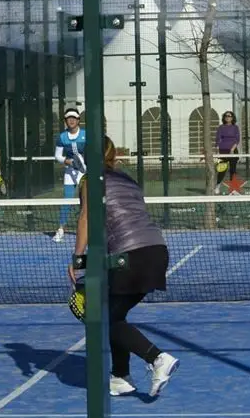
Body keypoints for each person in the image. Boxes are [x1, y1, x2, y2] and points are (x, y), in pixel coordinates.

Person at [67, 136, 179, 398]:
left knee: (106, 319)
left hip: (129, 256)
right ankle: (121, 377)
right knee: (114, 314)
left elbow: (87, 217)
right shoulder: (129, 180)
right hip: (156, 250)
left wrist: (78, 258)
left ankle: (157, 358)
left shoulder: (89, 180)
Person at [53, 107, 86, 242]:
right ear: (65, 121)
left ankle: (89, 230)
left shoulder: (86, 134)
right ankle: (61, 229)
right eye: (68, 118)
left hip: (85, 172)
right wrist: (68, 161)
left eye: (74, 118)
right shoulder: (62, 137)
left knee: (87, 202)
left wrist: (83, 163)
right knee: (67, 200)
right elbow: (57, 156)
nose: (71, 120)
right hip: (69, 172)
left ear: (78, 120)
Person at [213, 111, 241, 194]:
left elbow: (237, 139)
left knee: (233, 170)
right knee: (222, 169)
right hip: (223, 150)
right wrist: (218, 150)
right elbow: (218, 139)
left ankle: (234, 189)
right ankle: (217, 186)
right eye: (226, 116)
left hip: (233, 150)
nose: (228, 117)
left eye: (229, 116)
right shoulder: (221, 127)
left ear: (232, 118)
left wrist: (232, 149)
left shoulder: (235, 127)